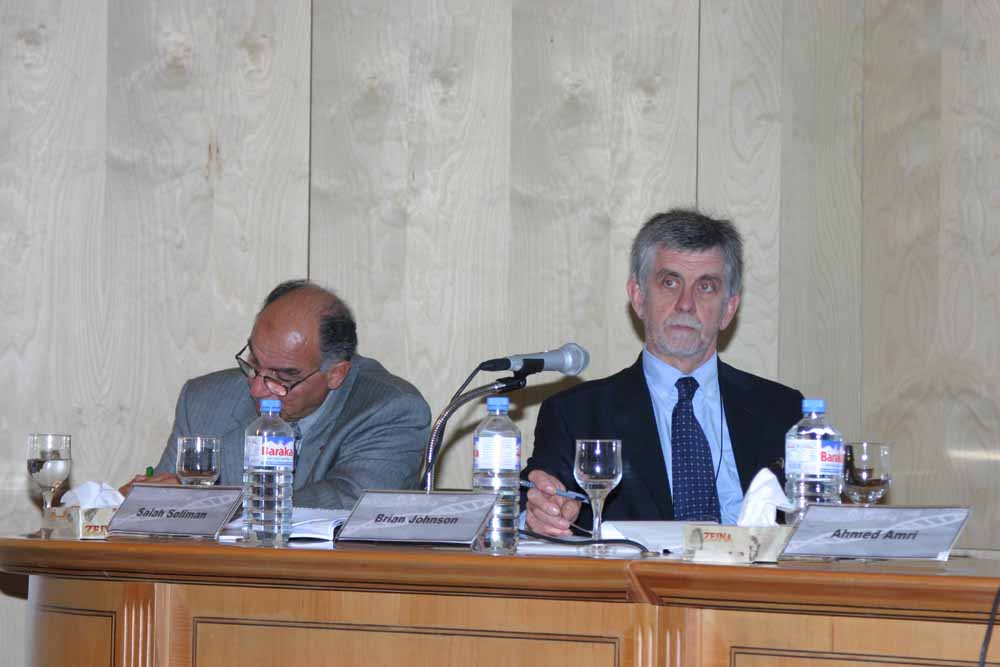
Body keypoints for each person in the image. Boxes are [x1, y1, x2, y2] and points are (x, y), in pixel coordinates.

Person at [522, 209, 803, 535]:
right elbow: (537, 497)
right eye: (669, 283)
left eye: (706, 287)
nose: (685, 304)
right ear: (638, 297)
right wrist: (542, 510)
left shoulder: (782, 411)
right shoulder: (576, 414)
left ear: (728, 309)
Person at [123, 280, 431, 509]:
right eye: (254, 364)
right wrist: (146, 501)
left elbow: (349, 502)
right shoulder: (204, 401)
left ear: (336, 373)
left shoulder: (390, 409)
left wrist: (208, 505)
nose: (257, 389)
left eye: (283, 377)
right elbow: (163, 503)